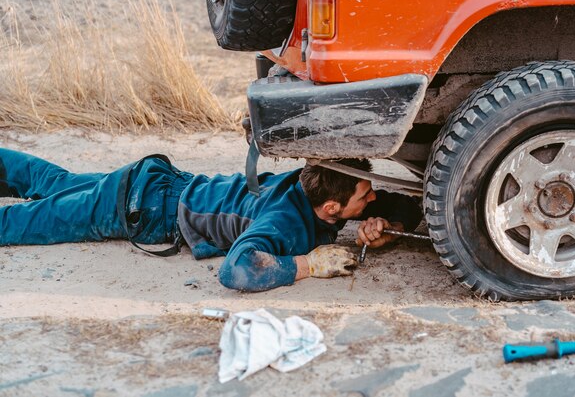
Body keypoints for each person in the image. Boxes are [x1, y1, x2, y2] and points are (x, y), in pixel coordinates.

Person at [0, 148, 422, 292]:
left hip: (159, 182)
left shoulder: (309, 182)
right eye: (365, 197)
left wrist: (381, 222)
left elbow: (404, 205)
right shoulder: (285, 223)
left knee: (51, 182)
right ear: (332, 208)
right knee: (24, 224)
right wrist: (310, 265)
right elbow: (236, 270)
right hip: (140, 208)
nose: (371, 197)